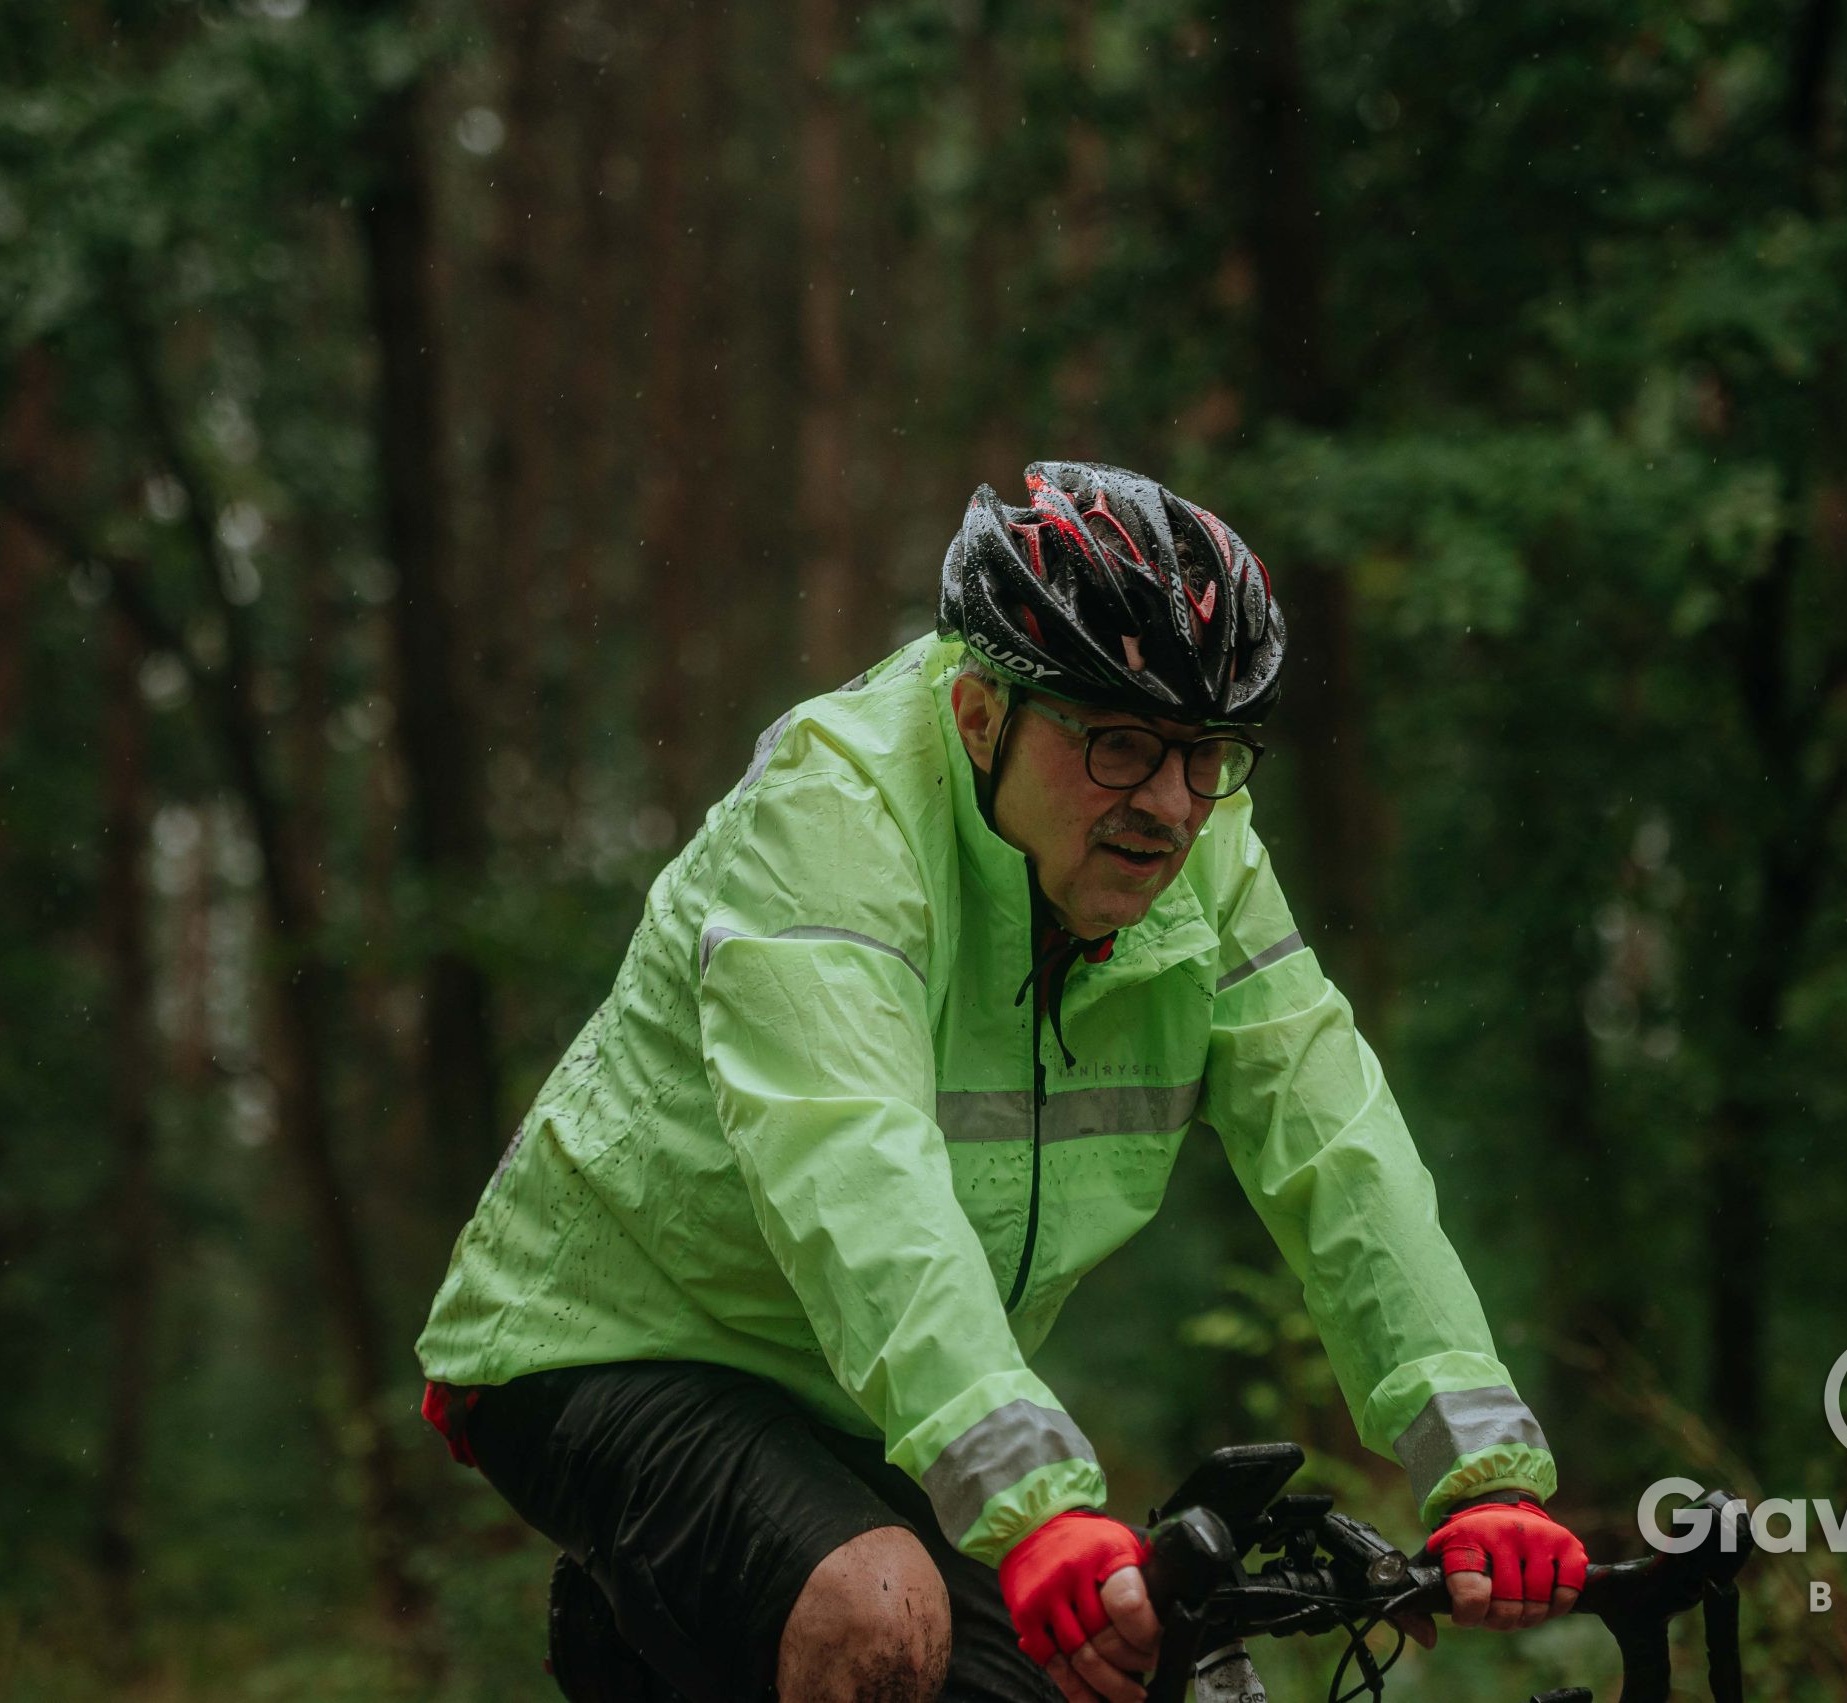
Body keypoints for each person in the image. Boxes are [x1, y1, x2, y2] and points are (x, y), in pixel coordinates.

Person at [415, 462, 1586, 1703]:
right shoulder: (834, 813)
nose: (1168, 806)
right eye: (1119, 743)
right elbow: (852, 1163)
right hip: (611, 1346)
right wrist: (1033, 1504)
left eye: (1207, 753)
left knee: (1131, 1665)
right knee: (878, 1615)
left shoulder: (1204, 846)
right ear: (980, 715)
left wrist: (1485, 1472)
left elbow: (1336, 1140)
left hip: (865, 1393)